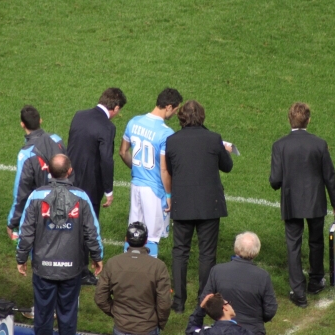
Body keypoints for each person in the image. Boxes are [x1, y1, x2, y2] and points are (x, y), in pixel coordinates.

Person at [16, 154, 103, 335]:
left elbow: (26, 231)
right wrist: (97, 256)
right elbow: (91, 231)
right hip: (71, 268)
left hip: (44, 268)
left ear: (49, 171)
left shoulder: (36, 196)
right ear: (69, 171)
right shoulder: (82, 197)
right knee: (68, 315)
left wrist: (21, 258)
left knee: (42, 315)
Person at [269, 102, 335, 308]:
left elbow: (275, 180)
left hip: (291, 202)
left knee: (293, 245)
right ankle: (316, 281)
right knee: (316, 241)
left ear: (289, 120)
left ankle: (298, 292)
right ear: (308, 120)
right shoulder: (319, 144)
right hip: (315, 201)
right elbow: (330, 177)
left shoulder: (280, 145)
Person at [166, 100, 233, 313]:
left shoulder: (172, 141)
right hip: (209, 205)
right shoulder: (213, 139)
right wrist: (224, 150)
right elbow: (227, 166)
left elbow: (170, 169)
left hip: (183, 203)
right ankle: (203, 300)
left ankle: (178, 302)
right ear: (202, 117)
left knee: (180, 252)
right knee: (207, 253)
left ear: (181, 117)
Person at [67, 87, 126, 284]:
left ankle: (67, 261)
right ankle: (82, 271)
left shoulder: (79, 115)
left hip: (69, 178)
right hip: (91, 185)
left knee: (69, 221)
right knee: (88, 225)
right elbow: (106, 160)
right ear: (115, 108)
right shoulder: (108, 127)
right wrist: (109, 190)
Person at [119, 88, 182, 256]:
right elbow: (164, 169)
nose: (175, 114)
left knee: (133, 233)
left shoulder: (134, 122)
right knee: (152, 237)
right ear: (169, 107)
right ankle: (150, 270)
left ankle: (128, 266)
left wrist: (137, 169)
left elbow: (123, 152)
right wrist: (169, 195)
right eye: (176, 109)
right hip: (154, 190)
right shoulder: (166, 133)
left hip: (136, 185)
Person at [94, 222, 172, 335]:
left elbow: (100, 298)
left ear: (126, 239)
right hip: (147, 328)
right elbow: (164, 303)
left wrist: (116, 313)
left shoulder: (113, 263)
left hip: (121, 327)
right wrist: (159, 323)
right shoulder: (158, 266)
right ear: (146, 241)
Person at [193, 232, 277, 335]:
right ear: (256, 251)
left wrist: (219, 317)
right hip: (254, 330)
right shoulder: (263, 276)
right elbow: (270, 310)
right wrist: (256, 319)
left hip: (223, 330)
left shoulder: (217, 271)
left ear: (236, 248)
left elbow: (205, 300)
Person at [7, 105, 67, 240]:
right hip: (64, 202)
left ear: (22, 124)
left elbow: (21, 191)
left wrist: (13, 222)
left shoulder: (26, 154)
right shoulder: (57, 139)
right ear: (40, 120)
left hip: (42, 209)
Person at [186, 293, 253, 335]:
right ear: (225, 308)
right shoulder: (243, 332)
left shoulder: (207, 332)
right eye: (228, 303)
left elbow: (190, 331)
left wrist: (201, 308)